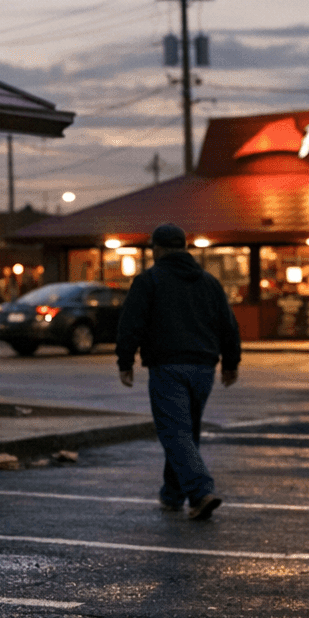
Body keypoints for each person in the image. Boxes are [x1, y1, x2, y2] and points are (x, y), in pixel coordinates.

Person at [115, 222, 241, 520]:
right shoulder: (209, 283)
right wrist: (231, 363)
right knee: (185, 432)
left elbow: (131, 324)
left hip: (167, 367)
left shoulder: (149, 281)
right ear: (184, 248)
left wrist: (125, 362)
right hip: (203, 369)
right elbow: (228, 325)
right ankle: (172, 495)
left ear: (156, 249)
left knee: (175, 432)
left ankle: (200, 492)